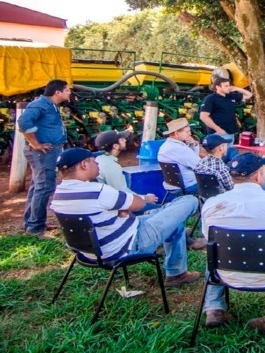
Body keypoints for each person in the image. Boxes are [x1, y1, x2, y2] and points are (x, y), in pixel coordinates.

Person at [50, 148, 201, 288]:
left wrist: (119, 210)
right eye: (94, 161)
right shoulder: (97, 191)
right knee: (189, 200)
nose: (97, 164)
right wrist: (125, 208)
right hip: (129, 245)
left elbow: (96, 214)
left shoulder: (59, 196)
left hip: (91, 251)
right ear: (84, 165)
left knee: (172, 221)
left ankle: (177, 273)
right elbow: (139, 203)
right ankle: (176, 272)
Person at [200, 153, 265, 332]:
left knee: (213, 254)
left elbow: (208, 238)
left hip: (224, 273)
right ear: (259, 175)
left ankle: (214, 307)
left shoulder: (211, 204)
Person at [17, 79, 70, 236]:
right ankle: (35, 228)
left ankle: (31, 222)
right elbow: (24, 122)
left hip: (48, 152)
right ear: (57, 92)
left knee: (38, 186)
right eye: (66, 90)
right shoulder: (40, 104)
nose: (69, 92)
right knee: (44, 187)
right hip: (43, 153)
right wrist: (35, 144)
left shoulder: (50, 105)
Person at [94, 129, 160, 209]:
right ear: (116, 146)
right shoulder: (110, 165)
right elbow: (122, 193)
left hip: (103, 201)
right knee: (157, 208)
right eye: (121, 139)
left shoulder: (99, 159)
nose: (125, 140)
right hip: (109, 206)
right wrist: (145, 198)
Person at [199, 77, 252, 161]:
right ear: (218, 87)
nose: (228, 87)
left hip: (230, 131)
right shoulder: (210, 99)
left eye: (229, 85)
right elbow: (203, 116)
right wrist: (218, 129)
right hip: (218, 133)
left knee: (228, 155)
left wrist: (236, 88)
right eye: (226, 86)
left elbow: (249, 95)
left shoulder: (231, 96)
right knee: (218, 156)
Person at [157, 118, 201, 196]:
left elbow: (193, 158)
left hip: (173, 186)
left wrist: (193, 144)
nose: (190, 134)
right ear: (177, 133)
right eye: (187, 132)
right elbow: (199, 166)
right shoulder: (179, 148)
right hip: (187, 186)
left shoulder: (167, 145)